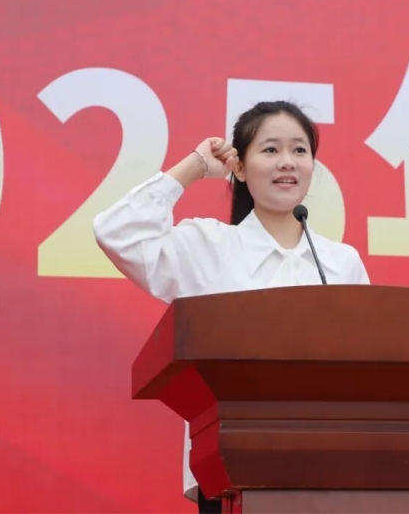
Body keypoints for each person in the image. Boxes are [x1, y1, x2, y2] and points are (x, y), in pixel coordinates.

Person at [92, 100, 370, 513]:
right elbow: (118, 233)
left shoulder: (341, 262)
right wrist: (195, 166)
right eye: (270, 150)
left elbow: (369, 366)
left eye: (299, 150)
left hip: (331, 474)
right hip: (230, 479)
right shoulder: (209, 247)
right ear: (239, 167)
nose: (287, 162)